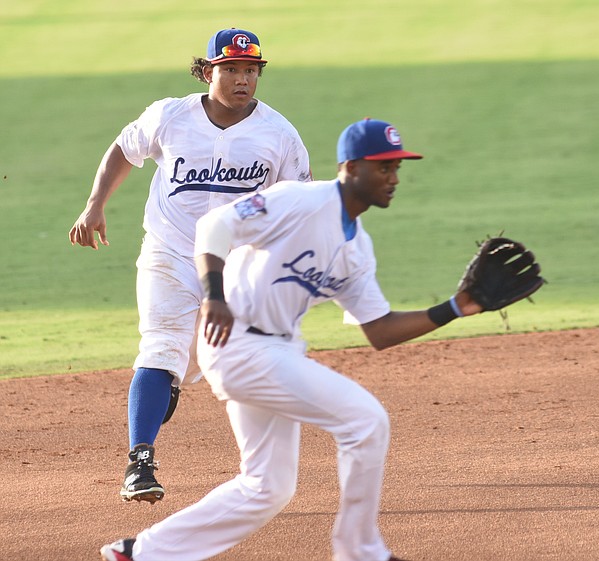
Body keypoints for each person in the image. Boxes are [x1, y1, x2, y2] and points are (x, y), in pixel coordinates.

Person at [100, 118, 484, 561]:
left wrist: (456, 307)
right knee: (366, 421)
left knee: (267, 487)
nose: (393, 178)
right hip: (237, 343)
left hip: (274, 349)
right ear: (350, 166)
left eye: (397, 168)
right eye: (383, 168)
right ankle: (361, 551)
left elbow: (378, 329)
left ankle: (141, 553)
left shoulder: (357, 246)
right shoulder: (298, 200)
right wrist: (214, 294)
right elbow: (214, 227)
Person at [69, 27, 311, 504]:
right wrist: (95, 204)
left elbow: (298, 198)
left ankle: (181, 392)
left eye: (251, 70)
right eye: (231, 69)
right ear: (206, 71)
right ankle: (140, 461)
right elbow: (124, 148)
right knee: (161, 349)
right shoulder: (170, 116)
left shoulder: (279, 133)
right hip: (170, 252)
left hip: (241, 264)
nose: (243, 79)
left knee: (223, 361)